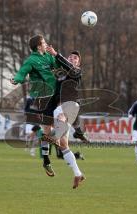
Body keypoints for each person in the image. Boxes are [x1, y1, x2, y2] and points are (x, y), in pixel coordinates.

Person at [10, 34, 60, 177]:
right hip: (41, 96)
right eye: (44, 43)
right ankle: (46, 159)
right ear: (38, 46)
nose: (46, 44)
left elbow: (57, 65)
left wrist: (56, 55)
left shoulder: (47, 57)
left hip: (54, 94)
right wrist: (16, 79)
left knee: (49, 130)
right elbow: (22, 72)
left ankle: (47, 157)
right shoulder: (31, 60)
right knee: (47, 129)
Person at [43, 46, 86, 188]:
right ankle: (78, 174)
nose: (72, 59)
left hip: (70, 106)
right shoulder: (61, 76)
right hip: (60, 108)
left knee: (61, 117)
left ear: (78, 63)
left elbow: (69, 68)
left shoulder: (77, 71)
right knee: (63, 145)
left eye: (75, 58)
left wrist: (56, 54)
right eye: (70, 57)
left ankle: (53, 136)